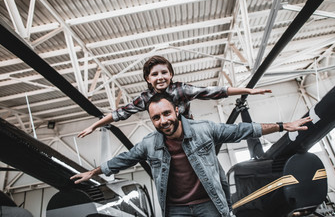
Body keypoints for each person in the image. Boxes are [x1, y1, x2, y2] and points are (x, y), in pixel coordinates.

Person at [77, 55, 272, 211]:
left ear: (171, 75)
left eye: (164, 72)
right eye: (154, 74)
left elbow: (212, 91)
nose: (160, 77)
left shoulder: (181, 90)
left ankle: (224, 205)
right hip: (167, 139)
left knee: (213, 172)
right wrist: (95, 125)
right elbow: (120, 113)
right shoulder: (146, 98)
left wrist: (247, 91)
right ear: (148, 78)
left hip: (192, 139)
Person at [71, 92, 312, 217]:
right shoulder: (149, 144)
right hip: (175, 209)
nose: (163, 121)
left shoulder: (203, 130)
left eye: (166, 113)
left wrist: (282, 125)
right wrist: (94, 171)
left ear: (176, 110)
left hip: (209, 203)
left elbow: (241, 130)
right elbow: (123, 159)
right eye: (156, 117)